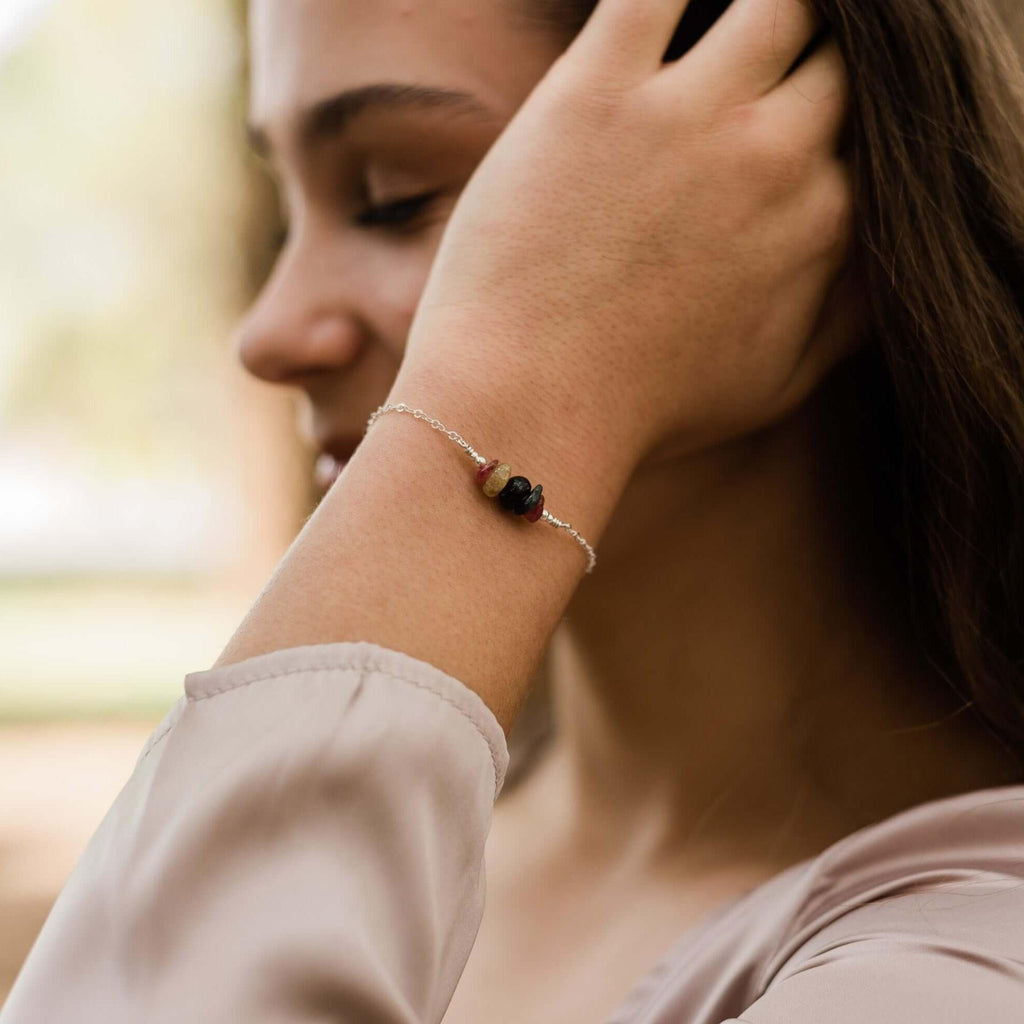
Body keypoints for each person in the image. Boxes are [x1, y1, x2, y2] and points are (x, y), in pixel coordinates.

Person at [4, 0, 1024, 1020]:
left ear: (804, 191)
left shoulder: (963, 963)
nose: (268, 331)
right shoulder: (413, 831)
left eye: (391, 198)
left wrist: (513, 377)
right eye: (285, 212)